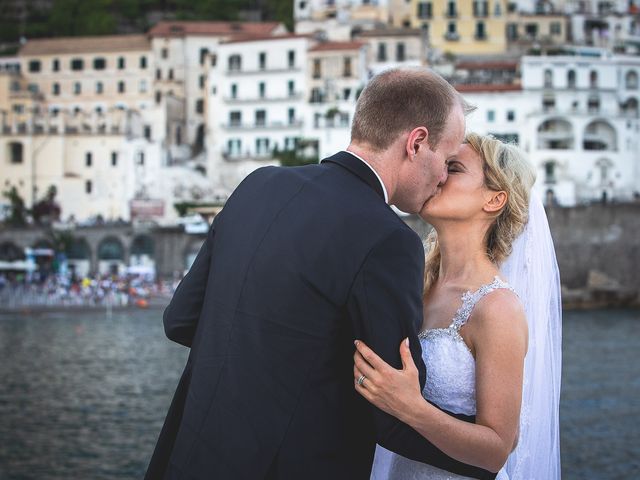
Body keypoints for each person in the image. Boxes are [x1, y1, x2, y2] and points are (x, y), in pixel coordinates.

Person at [144, 68, 497, 479]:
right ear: (417, 143)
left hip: (188, 457)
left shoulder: (258, 185)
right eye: (447, 159)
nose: (442, 177)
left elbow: (180, 321)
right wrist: (491, 461)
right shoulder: (388, 240)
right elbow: (391, 412)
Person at [353, 133, 562, 479]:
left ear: (494, 199)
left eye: (454, 167)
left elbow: (497, 450)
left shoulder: (497, 308)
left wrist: (411, 407)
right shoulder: (414, 284)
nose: (438, 174)